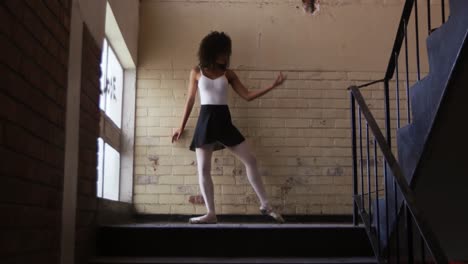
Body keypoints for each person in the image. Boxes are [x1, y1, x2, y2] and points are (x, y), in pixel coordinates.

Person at [171, 31, 286, 224]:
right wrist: (180, 127)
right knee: (204, 168)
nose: (225, 56)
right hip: (205, 120)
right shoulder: (197, 71)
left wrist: (272, 86)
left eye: (227, 52)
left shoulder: (229, 74)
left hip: (224, 120)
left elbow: (247, 95)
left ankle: (265, 204)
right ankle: (211, 213)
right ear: (211, 51)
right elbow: (190, 100)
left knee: (250, 160)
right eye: (222, 52)